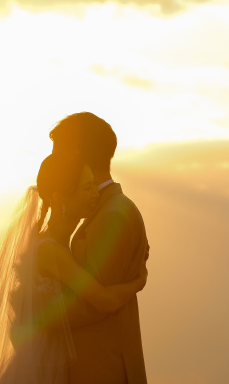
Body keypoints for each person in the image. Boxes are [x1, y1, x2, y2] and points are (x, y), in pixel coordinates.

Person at [0, 151, 148, 384]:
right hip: (44, 368)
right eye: (86, 188)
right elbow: (103, 300)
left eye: (93, 185)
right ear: (60, 198)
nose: (95, 194)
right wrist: (139, 280)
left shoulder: (55, 245)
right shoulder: (50, 251)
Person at [51, 112, 149, 384]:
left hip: (103, 369)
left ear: (76, 153)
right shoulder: (103, 210)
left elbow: (92, 306)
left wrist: (31, 319)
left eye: (58, 152)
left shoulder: (112, 215)